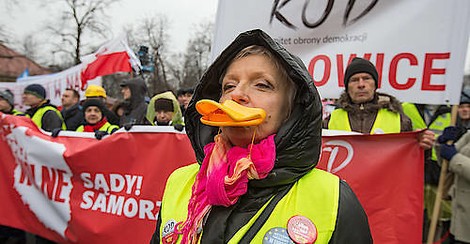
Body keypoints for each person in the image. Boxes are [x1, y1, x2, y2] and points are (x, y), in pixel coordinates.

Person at [151, 29, 371, 243]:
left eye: (262, 85)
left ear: (291, 110)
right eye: (229, 85)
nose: (237, 94)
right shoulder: (179, 182)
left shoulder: (334, 200)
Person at [438, 127, 470, 243]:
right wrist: (442, 145)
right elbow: (446, 163)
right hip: (459, 220)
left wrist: (454, 158)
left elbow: (454, 159)